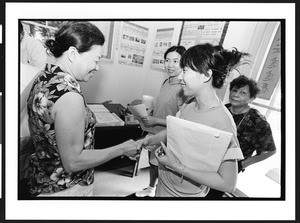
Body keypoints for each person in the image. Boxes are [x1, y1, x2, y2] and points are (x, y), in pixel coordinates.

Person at [25, 21, 139, 197]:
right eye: (95, 60)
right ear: (72, 53)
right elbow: (73, 161)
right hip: (65, 189)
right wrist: (122, 149)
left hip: (41, 179)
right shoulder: (70, 97)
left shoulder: (43, 76)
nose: (97, 67)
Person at [137, 43, 249, 197]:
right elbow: (172, 132)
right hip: (163, 186)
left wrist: (177, 167)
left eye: (185, 71)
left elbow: (228, 184)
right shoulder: (189, 106)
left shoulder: (223, 124)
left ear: (206, 75)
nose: (181, 77)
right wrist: (148, 141)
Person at [135, 46, 187, 197]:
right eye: (167, 60)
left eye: (176, 61)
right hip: (156, 132)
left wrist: (155, 120)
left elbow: (180, 122)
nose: (170, 65)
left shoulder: (183, 88)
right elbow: (163, 105)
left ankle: (158, 193)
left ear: (184, 63)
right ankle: (151, 189)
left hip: (168, 137)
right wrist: (150, 112)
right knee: (153, 163)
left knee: (162, 168)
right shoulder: (166, 81)